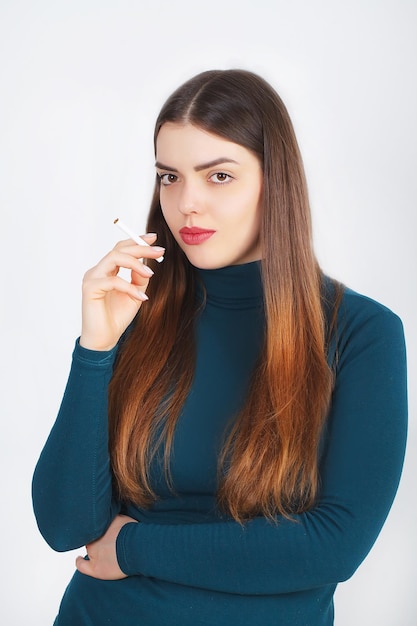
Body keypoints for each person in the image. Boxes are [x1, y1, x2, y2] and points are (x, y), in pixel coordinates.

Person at [32, 69, 408, 626]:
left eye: (219, 176)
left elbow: (332, 547)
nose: (187, 204)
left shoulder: (360, 333)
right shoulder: (136, 317)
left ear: (274, 180)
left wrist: (134, 549)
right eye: (169, 177)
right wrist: (96, 350)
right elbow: (65, 526)